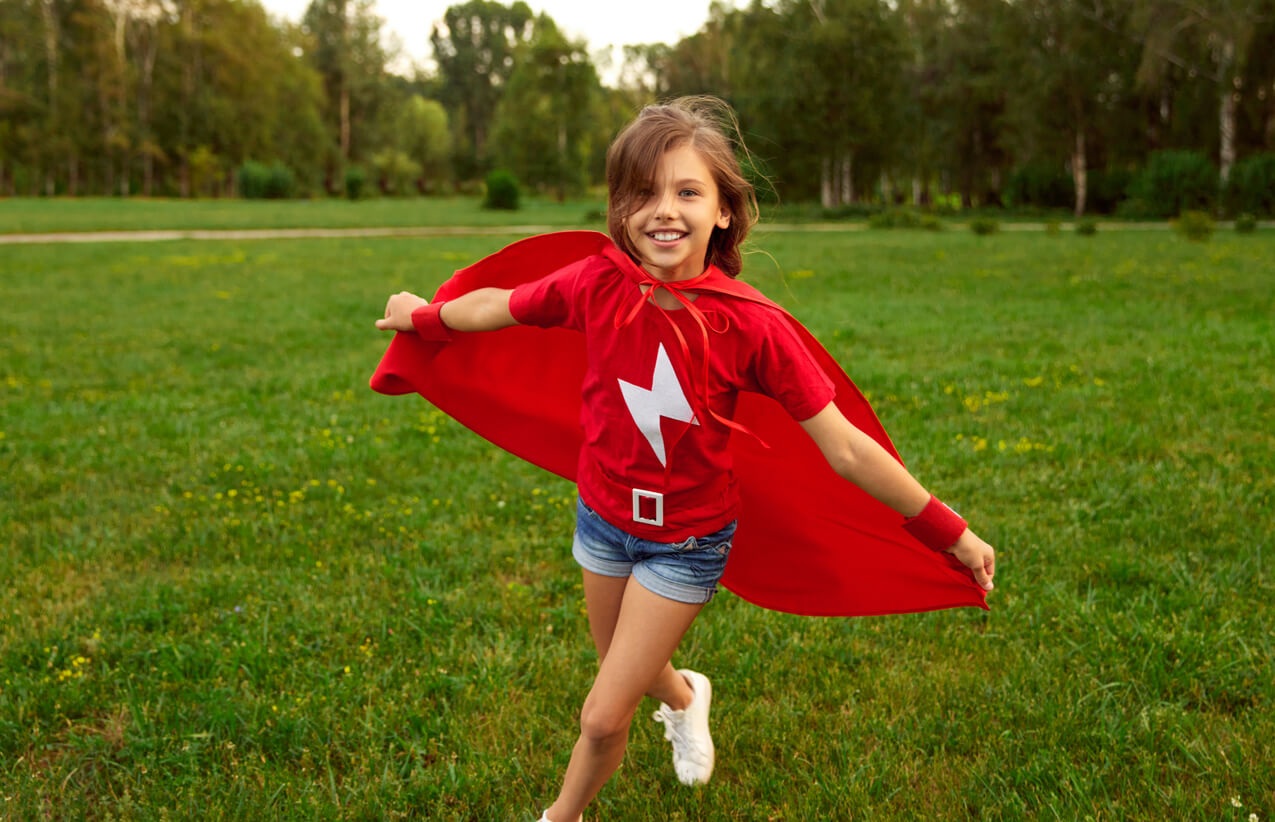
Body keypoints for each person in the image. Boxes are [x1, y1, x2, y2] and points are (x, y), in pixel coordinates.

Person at [374, 96, 996, 822]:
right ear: (619, 209)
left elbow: (847, 448)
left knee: (602, 714)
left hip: (687, 543)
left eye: (686, 191)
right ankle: (685, 694)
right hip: (602, 520)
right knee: (628, 675)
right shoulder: (594, 284)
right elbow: (499, 306)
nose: (662, 210)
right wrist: (421, 317)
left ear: (724, 211)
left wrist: (947, 530)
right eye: (642, 192)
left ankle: (560, 816)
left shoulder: (753, 326)